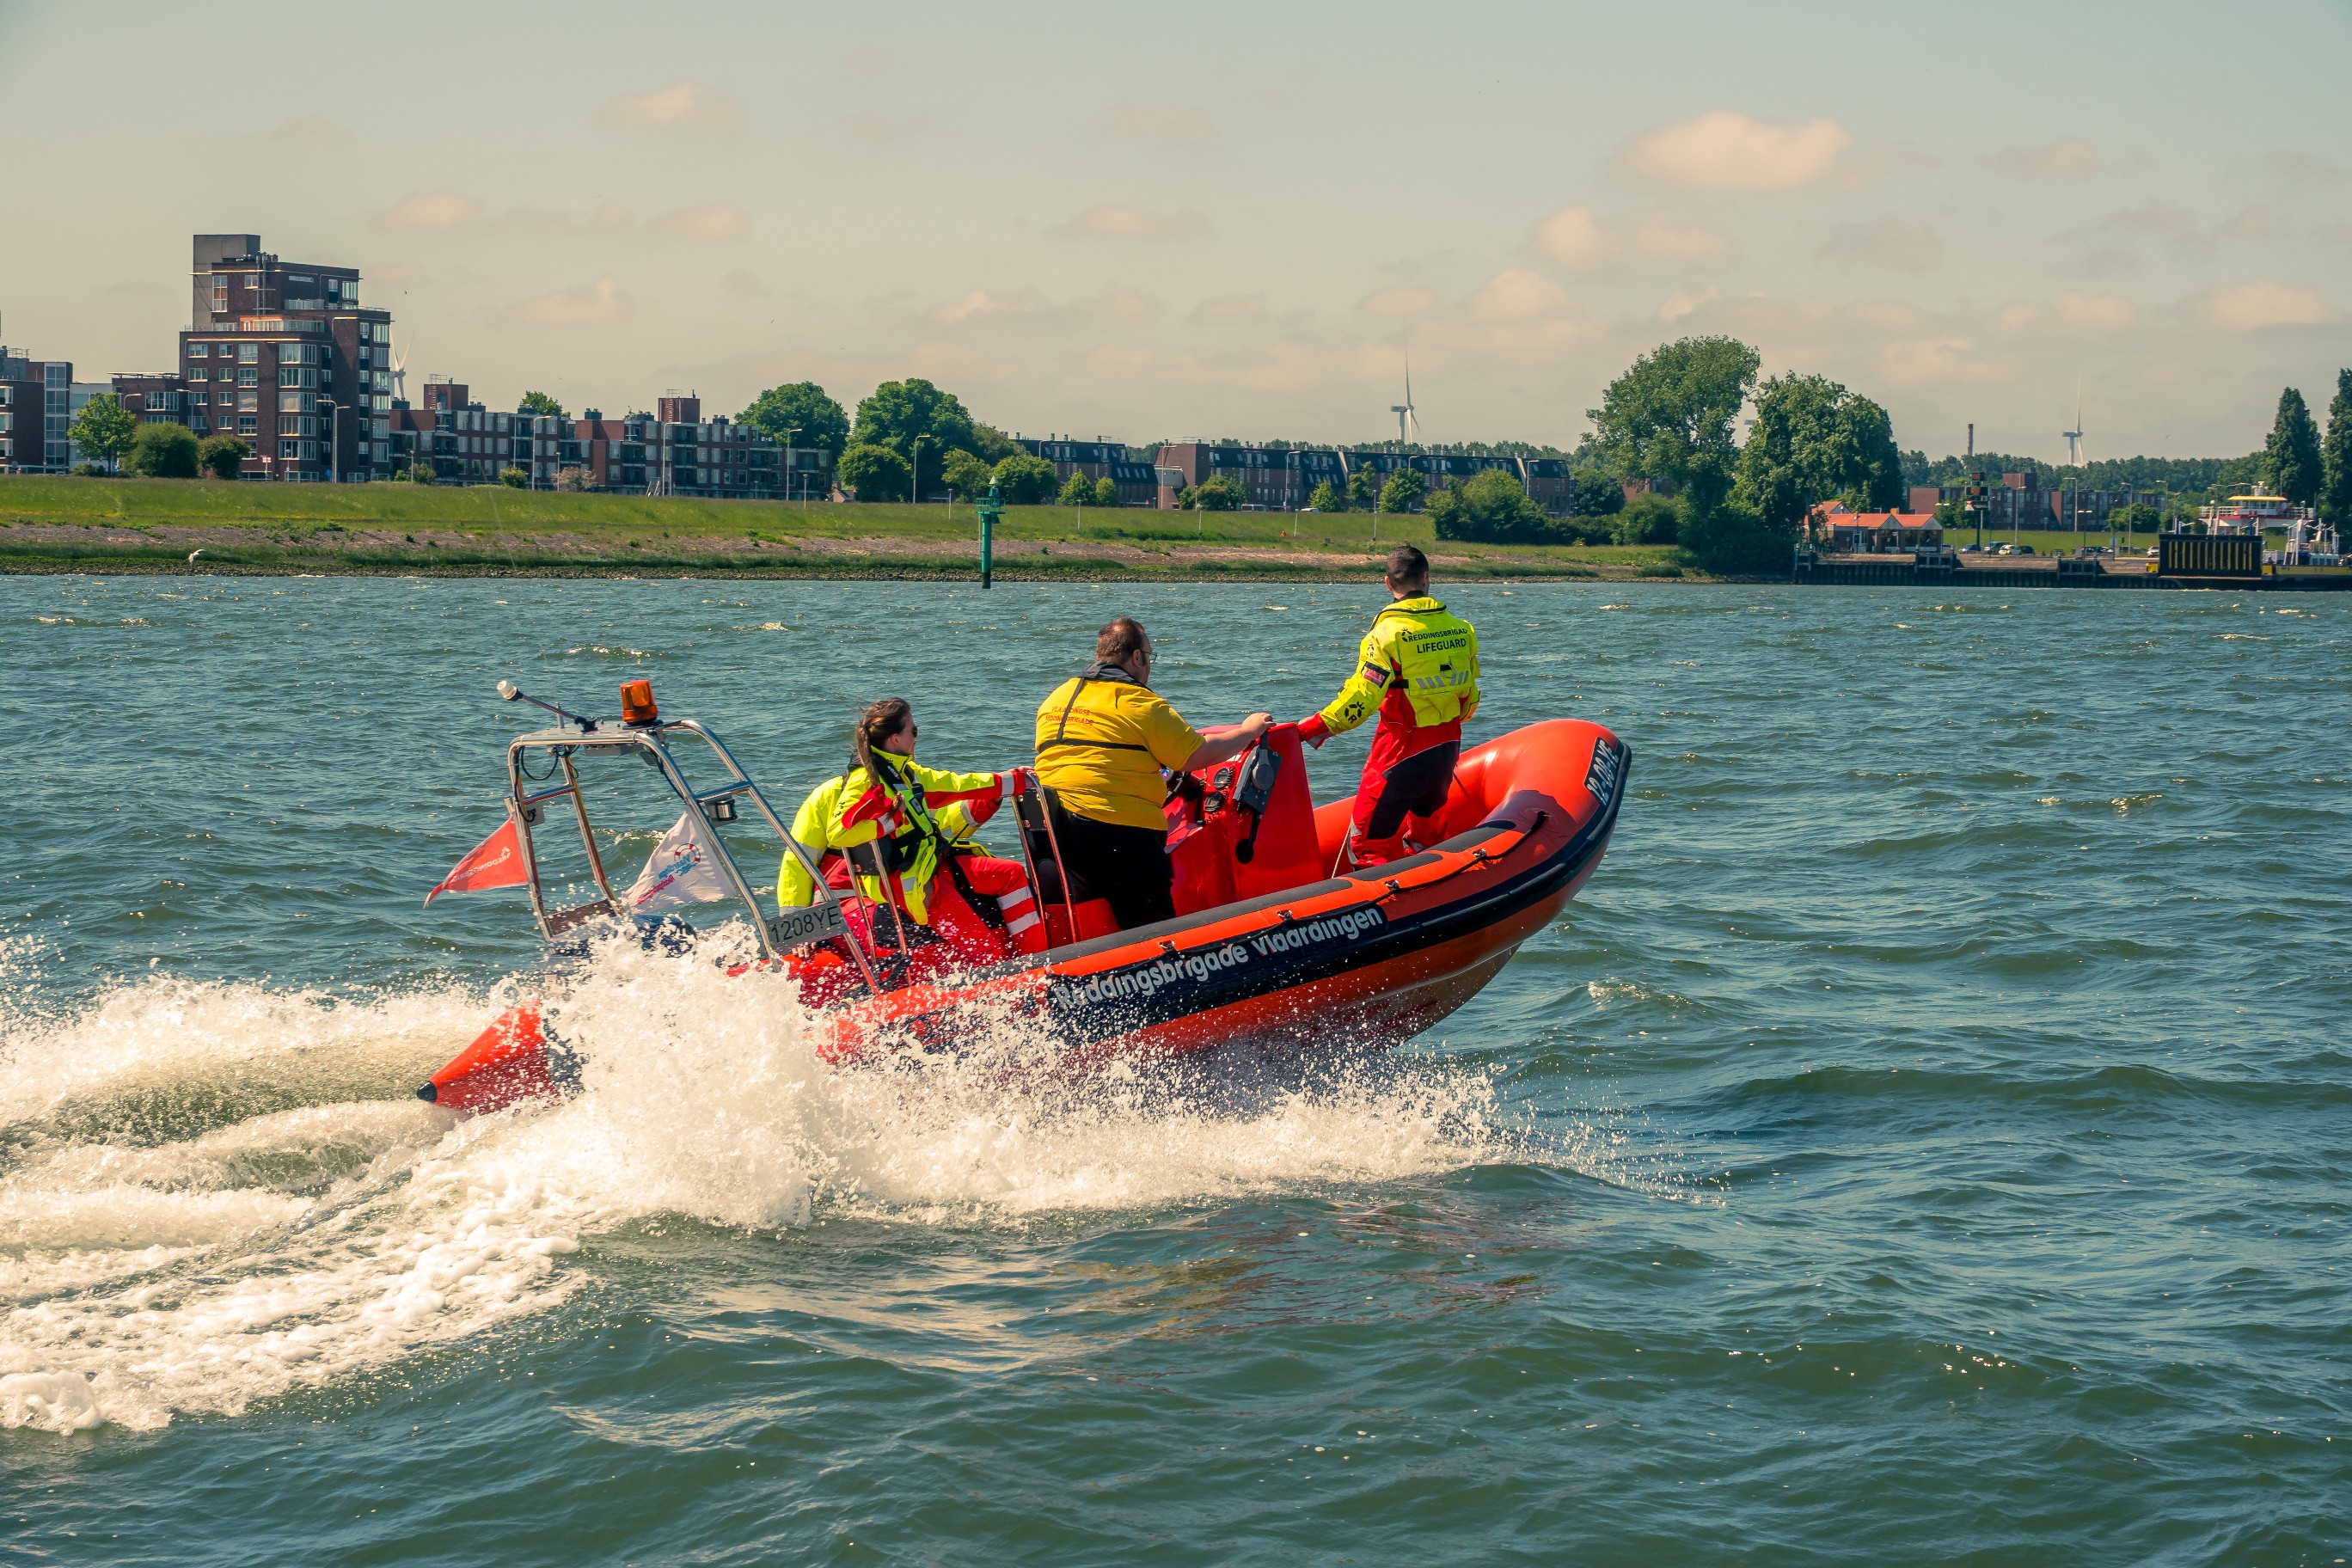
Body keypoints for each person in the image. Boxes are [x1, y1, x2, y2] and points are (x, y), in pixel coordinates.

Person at [777, 697, 1045, 977]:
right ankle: (1022, 982)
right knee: (974, 946)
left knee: (1009, 874)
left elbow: (941, 811)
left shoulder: (905, 779)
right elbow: (797, 864)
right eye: (913, 731)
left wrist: (996, 793)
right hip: (859, 899)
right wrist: (796, 925)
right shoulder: (828, 796)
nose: (917, 737)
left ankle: (1036, 963)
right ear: (894, 739)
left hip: (914, 880)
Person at [1034, 616, 1271, 930]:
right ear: (1137, 657)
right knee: (1151, 927)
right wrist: (1247, 731)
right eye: (1150, 656)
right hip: (1118, 831)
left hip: (1054, 829)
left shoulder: (1057, 698)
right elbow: (1196, 754)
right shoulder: (1139, 702)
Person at [1296, 544, 1480, 867]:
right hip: (1446, 752)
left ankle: (1385, 916)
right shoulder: (1462, 630)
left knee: (1367, 846)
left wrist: (1311, 730)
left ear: (1387, 583)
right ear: (1426, 578)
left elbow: (1362, 700)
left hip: (1400, 756)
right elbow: (1469, 702)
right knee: (1430, 837)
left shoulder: (1384, 636)